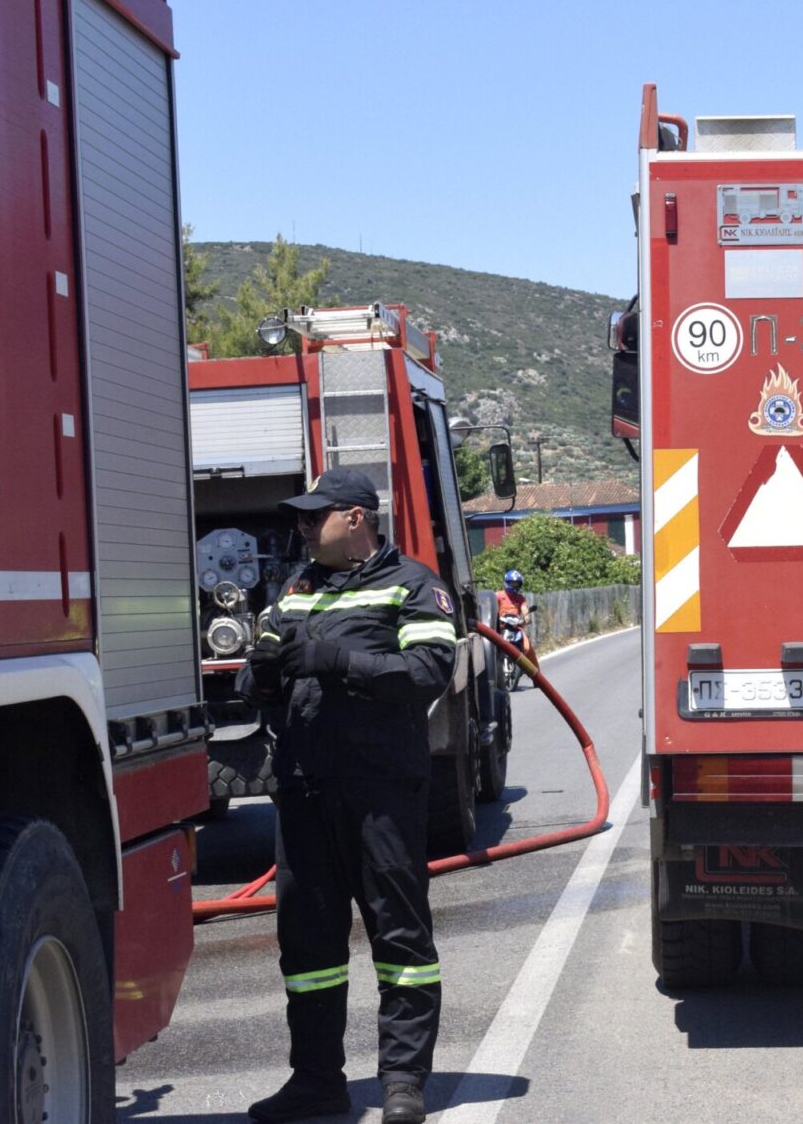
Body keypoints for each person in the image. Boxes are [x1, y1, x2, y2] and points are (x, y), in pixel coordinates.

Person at [237, 468, 459, 1124]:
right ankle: (316, 1083)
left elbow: (427, 673)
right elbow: (257, 683)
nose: (303, 528)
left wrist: (338, 663)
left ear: (356, 517)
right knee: (308, 948)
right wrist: (263, 672)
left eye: (315, 517)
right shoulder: (296, 588)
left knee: (399, 938)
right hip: (305, 792)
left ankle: (403, 1083)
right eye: (301, 519)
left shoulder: (413, 585)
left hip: (380, 791)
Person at [493, 569, 532, 688]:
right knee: (489, 647)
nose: (514, 586)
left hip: (516, 627)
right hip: (500, 627)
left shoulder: (520, 598)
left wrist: (526, 617)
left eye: (517, 584)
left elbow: (524, 609)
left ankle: (533, 674)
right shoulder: (499, 595)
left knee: (527, 647)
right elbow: (491, 607)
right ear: (507, 583)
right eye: (512, 583)